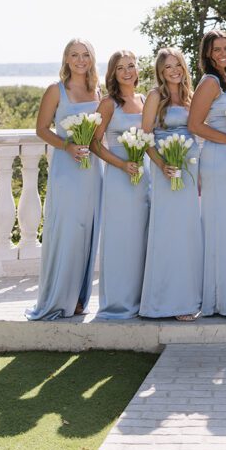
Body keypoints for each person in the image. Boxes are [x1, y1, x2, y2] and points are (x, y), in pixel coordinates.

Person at [26, 39, 102, 320]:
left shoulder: (98, 90)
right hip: (67, 170)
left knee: (87, 230)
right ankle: (59, 297)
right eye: (75, 55)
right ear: (66, 59)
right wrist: (67, 146)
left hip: (93, 169)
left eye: (85, 55)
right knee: (67, 231)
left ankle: (80, 299)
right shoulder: (55, 90)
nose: (80, 60)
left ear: (91, 59)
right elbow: (41, 129)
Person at [188, 30, 226, 317]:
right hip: (218, 159)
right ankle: (218, 298)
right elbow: (194, 125)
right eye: (217, 49)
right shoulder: (210, 81)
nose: (223, 53)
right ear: (208, 54)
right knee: (220, 228)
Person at [139, 47, 203, 320]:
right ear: (160, 72)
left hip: (188, 172)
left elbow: (198, 132)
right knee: (168, 234)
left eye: (177, 65)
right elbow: (145, 137)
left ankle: (188, 299)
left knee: (188, 235)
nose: (174, 70)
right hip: (166, 173)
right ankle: (164, 302)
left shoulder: (191, 97)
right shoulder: (155, 96)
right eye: (168, 67)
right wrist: (162, 165)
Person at [94, 50, 149, 320]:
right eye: (120, 68)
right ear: (113, 73)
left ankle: (141, 298)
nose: (127, 71)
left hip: (145, 176)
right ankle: (118, 302)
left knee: (142, 236)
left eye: (131, 65)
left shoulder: (144, 99)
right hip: (120, 177)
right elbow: (94, 143)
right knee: (120, 238)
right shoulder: (108, 104)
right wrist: (121, 164)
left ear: (137, 69)